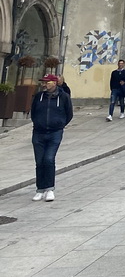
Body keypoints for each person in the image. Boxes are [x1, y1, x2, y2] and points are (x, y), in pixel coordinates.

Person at [30, 74, 73, 202]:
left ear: (54, 83)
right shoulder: (39, 97)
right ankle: (40, 189)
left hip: (55, 132)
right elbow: (33, 112)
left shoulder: (63, 97)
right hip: (39, 132)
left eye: (47, 82)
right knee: (39, 161)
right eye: (43, 82)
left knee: (49, 159)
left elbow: (69, 114)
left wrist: (60, 124)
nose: (44, 84)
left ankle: (49, 189)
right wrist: (38, 123)